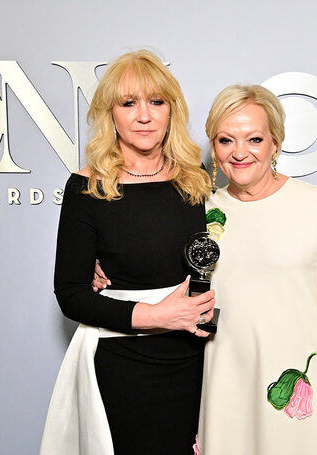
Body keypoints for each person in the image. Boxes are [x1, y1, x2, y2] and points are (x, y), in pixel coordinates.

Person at [40, 50, 216, 455]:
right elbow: (70, 294)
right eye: (129, 103)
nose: (144, 116)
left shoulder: (196, 181)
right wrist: (157, 316)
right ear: (111, 114)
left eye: (156, 102)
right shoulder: (88, 187)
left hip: (193, 363)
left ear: (172, 110)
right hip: (122, 366)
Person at [196, 85, 317, 455]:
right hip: (228, 390)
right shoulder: (199, 212)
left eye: (254, 139)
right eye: (226, 140)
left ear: (275, 143)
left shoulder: (316, 205)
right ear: (214, 148)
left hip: (300, 395)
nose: (239, 152)